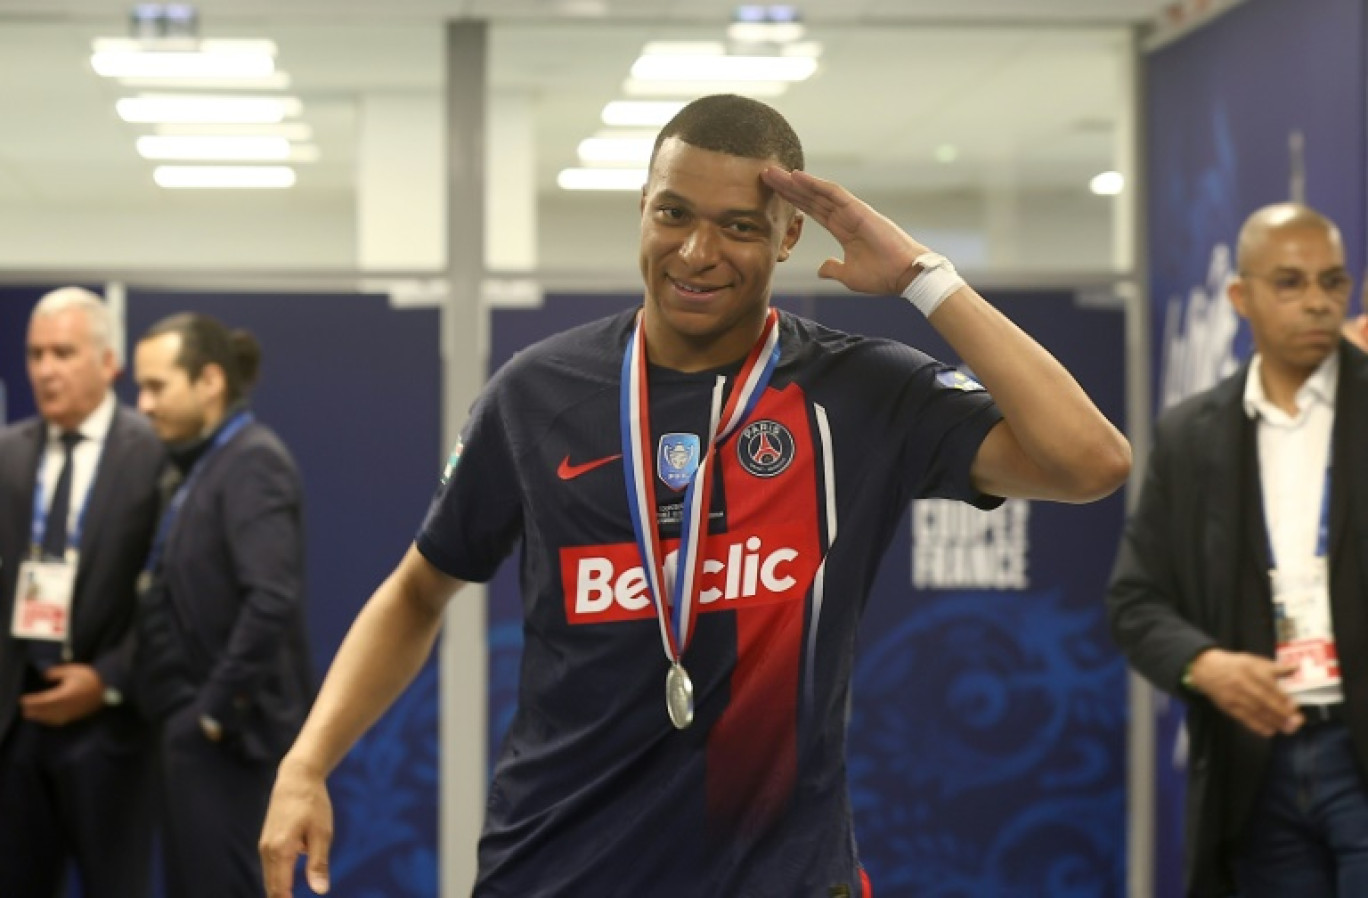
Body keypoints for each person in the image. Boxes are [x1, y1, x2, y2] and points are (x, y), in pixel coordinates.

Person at [260, 93, 1131, 897]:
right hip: (558, 869)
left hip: (781, 875)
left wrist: (922, 278)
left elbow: (1089, 462)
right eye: (673, 213)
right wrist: (308, 762)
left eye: (739, 226)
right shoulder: (538, 393)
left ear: (788, 238)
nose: (696, 252)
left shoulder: (859, 394)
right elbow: (420, 587)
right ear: (641, 207)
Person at [1108, 203, 1368, 896]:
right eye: (1289, 282)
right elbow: (1136, 603)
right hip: (1252, 765)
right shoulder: (1191, 436)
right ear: (1240, 296)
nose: (1317, 301)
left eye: (1333, 282)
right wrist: (1204, 665)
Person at [131, 312, 313, 898]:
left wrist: (212, 713)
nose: (144, 404)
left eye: (157, 387)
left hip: (234, 745)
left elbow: (271, 597)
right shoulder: (196, 469)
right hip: (196, 745)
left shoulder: (253, 461)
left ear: (209, 381)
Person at [0, 287, 163, 897]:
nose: (45, 369)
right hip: (14, 730)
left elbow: (171, 597)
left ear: (108, 362)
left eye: (63, 352)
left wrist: (109, 678)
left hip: (111, 731)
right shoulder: (8, 455)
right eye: (35, 353)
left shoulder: (153, 455)